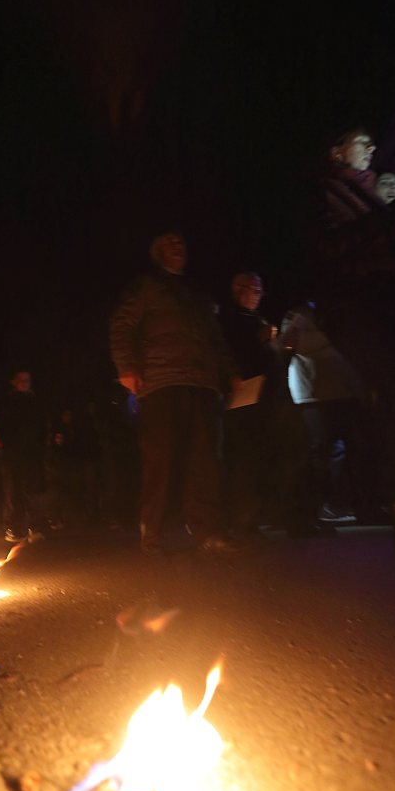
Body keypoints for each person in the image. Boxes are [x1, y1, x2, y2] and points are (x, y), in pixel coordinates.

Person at [309, 127, 395, 545]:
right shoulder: (325, 193)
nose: (373, 148)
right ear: (338, 151)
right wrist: (389, 217)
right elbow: (327, 250)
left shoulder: (373, 195)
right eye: (363, 141)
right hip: (357, 307)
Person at [109, 231, 240, 555]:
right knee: (160, 458)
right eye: (169, 243)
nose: (177, 246)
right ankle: (151, 531)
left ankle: (207, 532)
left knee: (205, 460)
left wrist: (231, 372)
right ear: (157, 253)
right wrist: (126, 367)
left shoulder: (197, 292)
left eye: (181, 242)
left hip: (202, 382)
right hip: (161, 380)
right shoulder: (146, 286)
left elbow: (215, 336)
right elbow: (122, 325)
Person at [220, 273, 314, 536]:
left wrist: (282, 347)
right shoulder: (231, 321)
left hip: (270, 399)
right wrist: (261, 342)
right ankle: (245, 519)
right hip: (249, 399)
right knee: (248, 460)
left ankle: (272, 516)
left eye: (260, 291)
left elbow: (269, 359)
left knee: (272, 458)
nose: (257, 296)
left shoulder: (254, 321)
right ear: (237, 290)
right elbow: (238, 357)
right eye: (252, 290)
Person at [280, 303, 375, 525]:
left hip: (341, 391)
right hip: (314, 394)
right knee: (321, 453)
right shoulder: (300, 313)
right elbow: (288, 344)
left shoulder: (330, 313)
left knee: (344, 452)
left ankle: (341, 505)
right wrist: (333, 341)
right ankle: (312, 511)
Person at [0, 370, 47, 542]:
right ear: (14, 382)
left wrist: (43, 447)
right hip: (13, 453)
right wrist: (5, 446)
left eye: (27, 380)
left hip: (33, 454)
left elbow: (43, 425)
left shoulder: (36, 401)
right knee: (13, 491)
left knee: (33, 490)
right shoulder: (6, 402)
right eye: (21, 380)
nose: (24, 382)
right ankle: (14, 528)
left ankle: (35, 527)